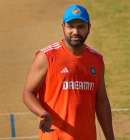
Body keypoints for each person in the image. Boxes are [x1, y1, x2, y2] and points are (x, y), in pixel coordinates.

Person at [22, 4, 115, 140]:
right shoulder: (46, 56)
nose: (75, 32)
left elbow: (101, 102)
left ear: (89, 28)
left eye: (80, 26)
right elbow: (27, 93)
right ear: (63, 27)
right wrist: (42, 113)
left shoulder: (96, 60)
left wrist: (110, 138)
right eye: (71, 26)